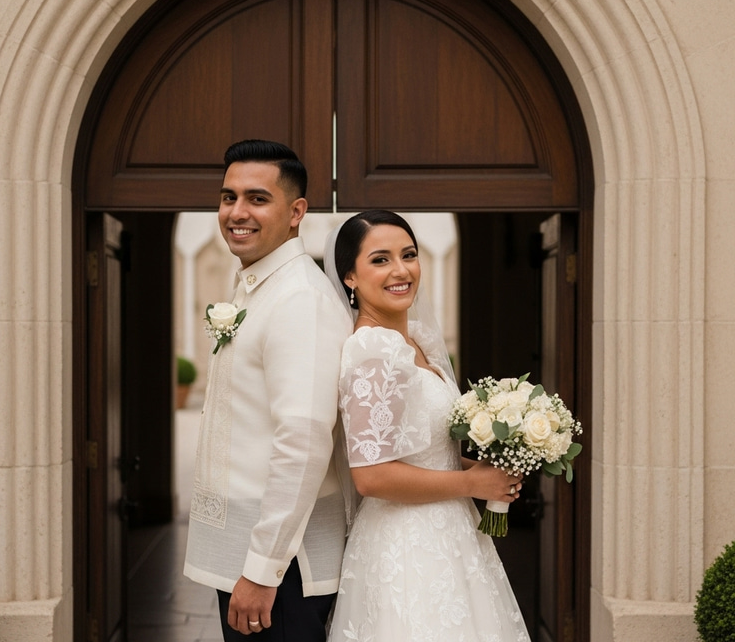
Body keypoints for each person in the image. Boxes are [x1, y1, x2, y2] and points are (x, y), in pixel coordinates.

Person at [324, 210, 531, 642]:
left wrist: (491, 469)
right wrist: (473, 484)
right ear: (350, 278)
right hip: (405, 547)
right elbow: (371, 475)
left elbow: (426, 445)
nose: (401, 270)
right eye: (380, 260)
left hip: (452, 536)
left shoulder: (416, 340)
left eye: (409, 254)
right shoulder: (374, 351)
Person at [184, 140, 353, 641]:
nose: (237, 212)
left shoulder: (299, 298)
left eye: (257, 198)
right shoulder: (261, 286)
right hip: (254, 558)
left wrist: (262, 570)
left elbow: (301, 443)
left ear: (296, 211)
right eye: (228, 197)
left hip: (284, 569)